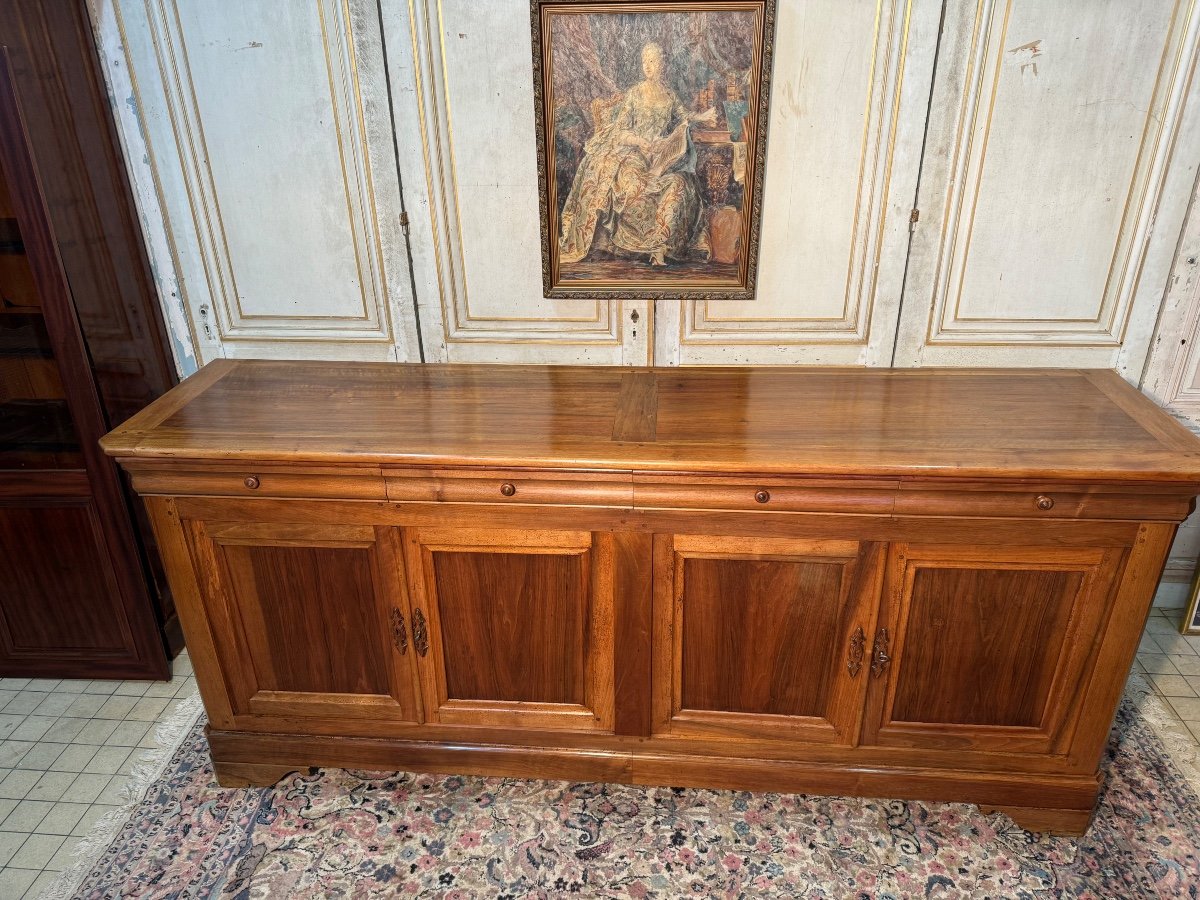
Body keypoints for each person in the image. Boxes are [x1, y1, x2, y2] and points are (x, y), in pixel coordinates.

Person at [558, 42, 717, 267]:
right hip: (632, 154)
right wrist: (641, 142)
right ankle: (629, 245)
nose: (649, 66)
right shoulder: (634, 93)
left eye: (654, 61)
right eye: (645, 62)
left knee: (680, 185)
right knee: (634, 185)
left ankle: (659, 248)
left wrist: (704, 117)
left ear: (663, 65)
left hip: (659, 157)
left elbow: (684, 116)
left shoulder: (670, 95)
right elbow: (620, 131)